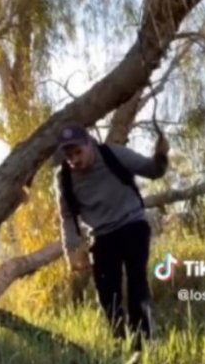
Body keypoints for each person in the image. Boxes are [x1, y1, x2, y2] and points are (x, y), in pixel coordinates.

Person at [55, 123, 169, 347]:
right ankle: (119, 342)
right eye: (69, 156)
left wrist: (161, 155)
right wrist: (72, 251)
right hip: (102, 236)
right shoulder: (64, 177)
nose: (74, 160)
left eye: (78, 152)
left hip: (132, 225)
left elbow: (153, 171)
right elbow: (67, 216)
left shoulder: (113, 154)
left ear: (90, 144)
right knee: (107, 294)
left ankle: (143, 343)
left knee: (137, 284)